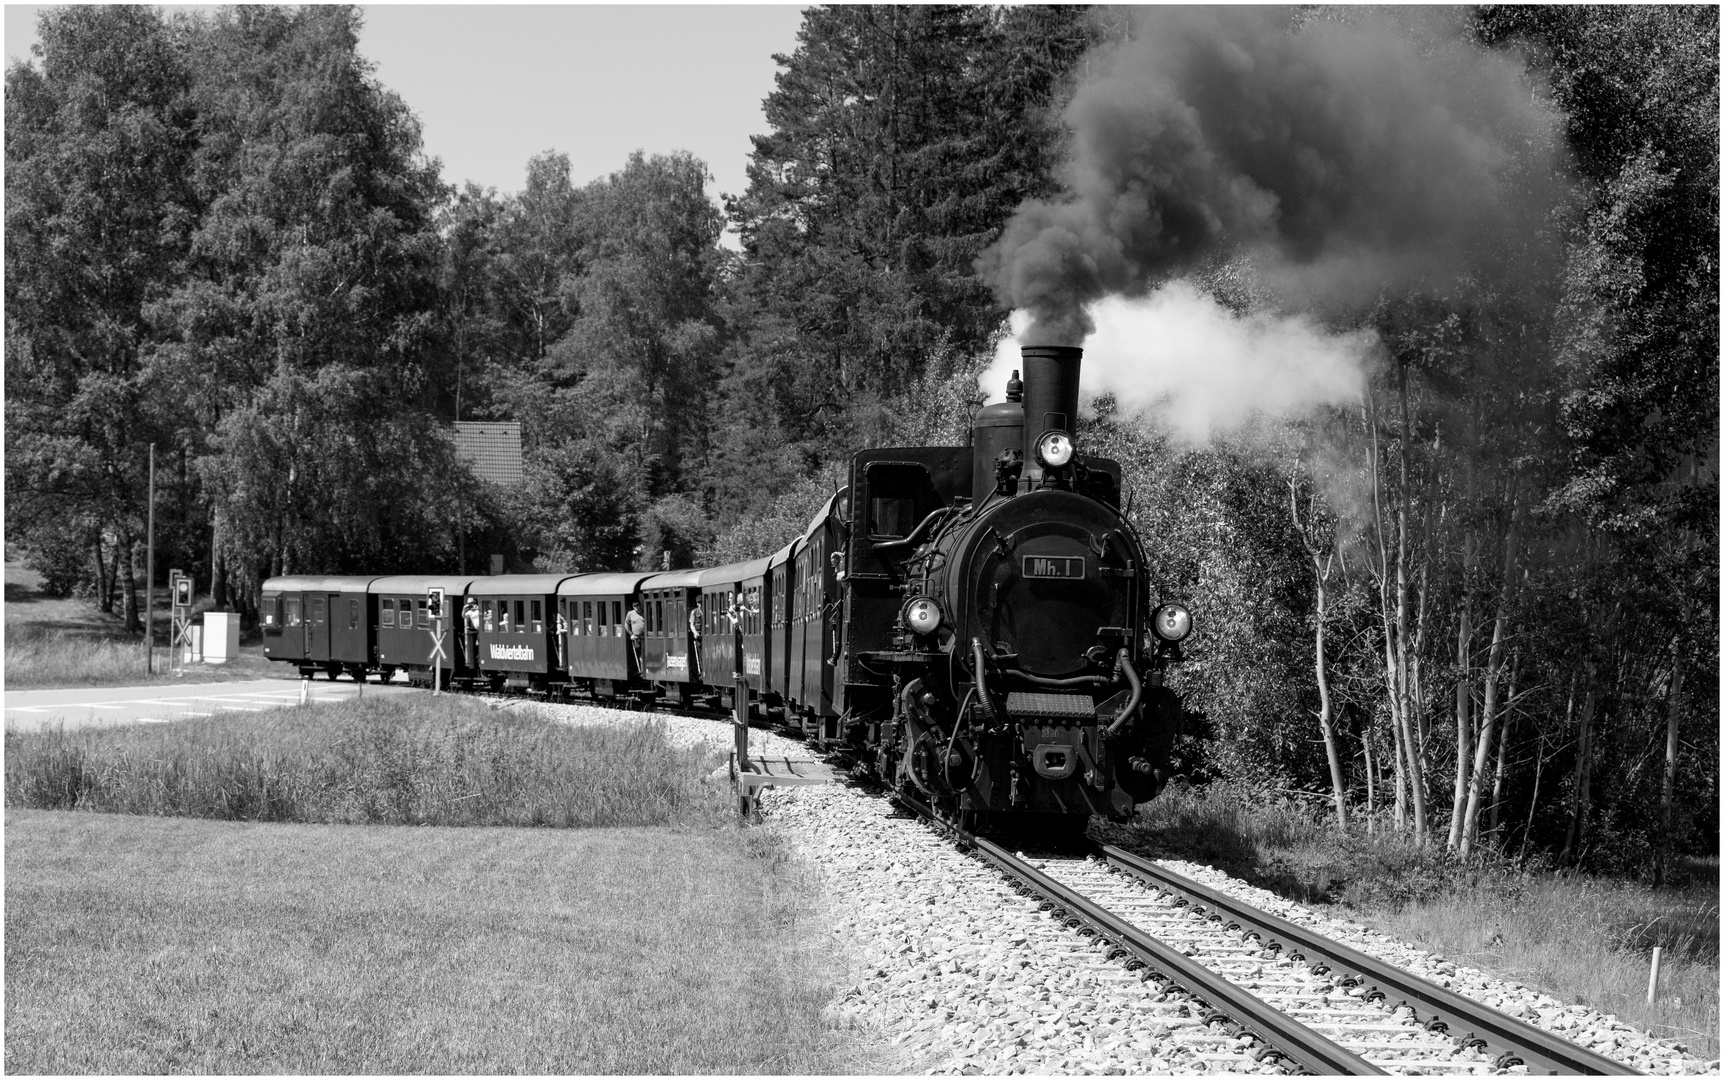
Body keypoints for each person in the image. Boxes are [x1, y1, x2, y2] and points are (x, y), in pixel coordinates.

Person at [624, 599, 646, 669]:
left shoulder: (644, 612)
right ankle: (642, 670)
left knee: (646, 654)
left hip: (645, 637)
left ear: (640, 605)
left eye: (638, 605)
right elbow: (626, 624)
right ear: (633, 607)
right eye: (635, 606)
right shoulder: (630, 614)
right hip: (637, 638)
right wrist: (631, 635)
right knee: (640, 655)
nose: (637, 607)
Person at [688, 599, 704, 680]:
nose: (700, 604)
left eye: (701, 602)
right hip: (699, 636)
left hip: (706, 635)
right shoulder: (694, 612)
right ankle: (702, 670)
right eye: (699, 602)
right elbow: (691, 624)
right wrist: (695, 633)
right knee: (701, 654)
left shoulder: (706, 610)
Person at [462, 597, 480, 669]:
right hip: (476, 630)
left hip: (481, 630)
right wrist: (464, 609)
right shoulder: (470, 612)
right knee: (477, 644)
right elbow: (463, 616)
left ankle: (479, 659)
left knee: (479, 643)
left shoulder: (478, 609)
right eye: (469, 604)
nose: (471, 605)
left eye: (472, 604)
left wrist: (477, 608)